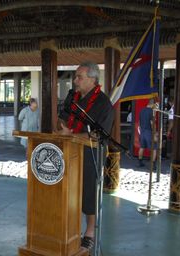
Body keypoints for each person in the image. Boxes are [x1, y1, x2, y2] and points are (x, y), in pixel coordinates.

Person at [58, 62, 114, 251]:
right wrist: (63, 126)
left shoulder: (103, 103)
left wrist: (72, 135)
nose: (75, 81)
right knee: (68, 190)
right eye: (75, 76)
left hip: (91, 153)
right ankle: (71, 227)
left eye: (79, 77)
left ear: (92, 79)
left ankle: (89, 232)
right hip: (69, 150)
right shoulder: (73, 97)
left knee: (89, 193)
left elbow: (100, 134)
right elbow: (63, 116)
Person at [138, 99, 157, 168]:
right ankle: (153, 165)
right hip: (149, 132)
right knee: (154, 148)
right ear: (153, 104)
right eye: (155, 105)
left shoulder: (142, 110)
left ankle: (140, 162)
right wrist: (154, 133)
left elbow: (139, 122)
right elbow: (152, 123)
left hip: (142, 131)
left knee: (142, 147)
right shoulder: (151, 111)